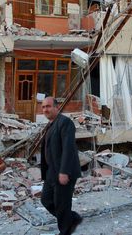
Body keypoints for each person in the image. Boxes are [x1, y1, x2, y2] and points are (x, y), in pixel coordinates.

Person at [40, 97, 82, 235]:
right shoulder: (51, 124)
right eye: (43, 107)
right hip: (52, 171)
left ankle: (65, 230)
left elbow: (68, 148)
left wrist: (64, 171)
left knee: (62, 203)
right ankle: (72, 218)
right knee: (46, 200)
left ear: (56, 107)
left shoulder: (65, 123)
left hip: (64, 171)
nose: (45, 109)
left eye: (48, 106)